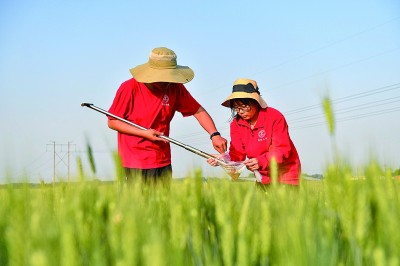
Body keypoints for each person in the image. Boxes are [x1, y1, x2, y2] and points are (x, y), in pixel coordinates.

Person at [108, 47, 227, 183]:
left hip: (162, 159)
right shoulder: (129, 88)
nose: (166, 82)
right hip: (134, 161)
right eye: (162, 78)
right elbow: (112, 122)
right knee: (138, 204)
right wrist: (144, 133)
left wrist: (214, 135)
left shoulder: (175, 88)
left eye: (169, 78)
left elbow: (198, 111)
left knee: (162, 203)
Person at [208, 78, 301, 186]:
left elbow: (282, 149)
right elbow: (237, 154)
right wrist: (223, 159)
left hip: (286, 176)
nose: (241, 111)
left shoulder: (274, 116)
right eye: (237, 108)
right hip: (261, 177)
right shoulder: (236, 123)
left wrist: (260, 161)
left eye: (244, 106)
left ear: (255, 102)